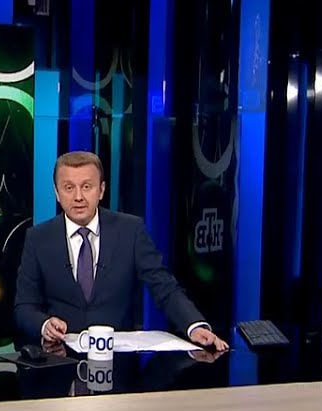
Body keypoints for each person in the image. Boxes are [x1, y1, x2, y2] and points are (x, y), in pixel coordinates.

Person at [13, 151, 229, 356]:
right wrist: (44, 324)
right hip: (61, 359)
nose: (78, 197)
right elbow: (24, 307)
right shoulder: (38, 238)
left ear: (101, 190)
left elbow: (163, 285)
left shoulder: (130, 230)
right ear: (57, 193)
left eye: (87, 186)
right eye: (69, 188)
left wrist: (193, 325)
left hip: (119, 361)